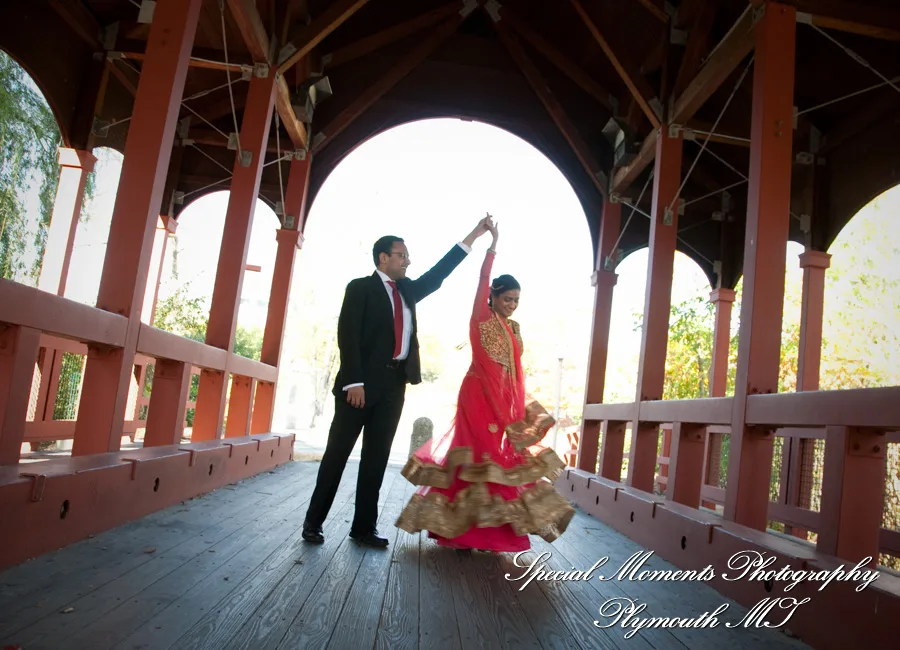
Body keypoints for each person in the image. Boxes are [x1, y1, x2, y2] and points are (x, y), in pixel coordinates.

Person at [302, 216, 494, 548]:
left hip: (395, 386)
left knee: (376, 459)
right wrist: (354, 383)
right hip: (358, 388)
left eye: (407, 256)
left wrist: (473, 236)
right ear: (383, 258)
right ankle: (313, 523)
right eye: (402, 255)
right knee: (336, 456)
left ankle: (363, 528)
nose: (408, 261)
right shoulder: (360, 288)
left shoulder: (407, 289)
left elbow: (438, 274)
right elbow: (347, 337)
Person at [396, 220, 574, 552]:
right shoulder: (481, 317)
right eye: (507, 298)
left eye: (517, 299)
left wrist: (517, 409)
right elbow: (481, 279)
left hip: (504, 403)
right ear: (493, 296)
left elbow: (513, 374)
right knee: (480, 459)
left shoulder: (514, 328)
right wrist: (492, 242)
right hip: (477, 400)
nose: (512, 304)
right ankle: (463, 533)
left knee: (502, 460)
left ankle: (487, 534)